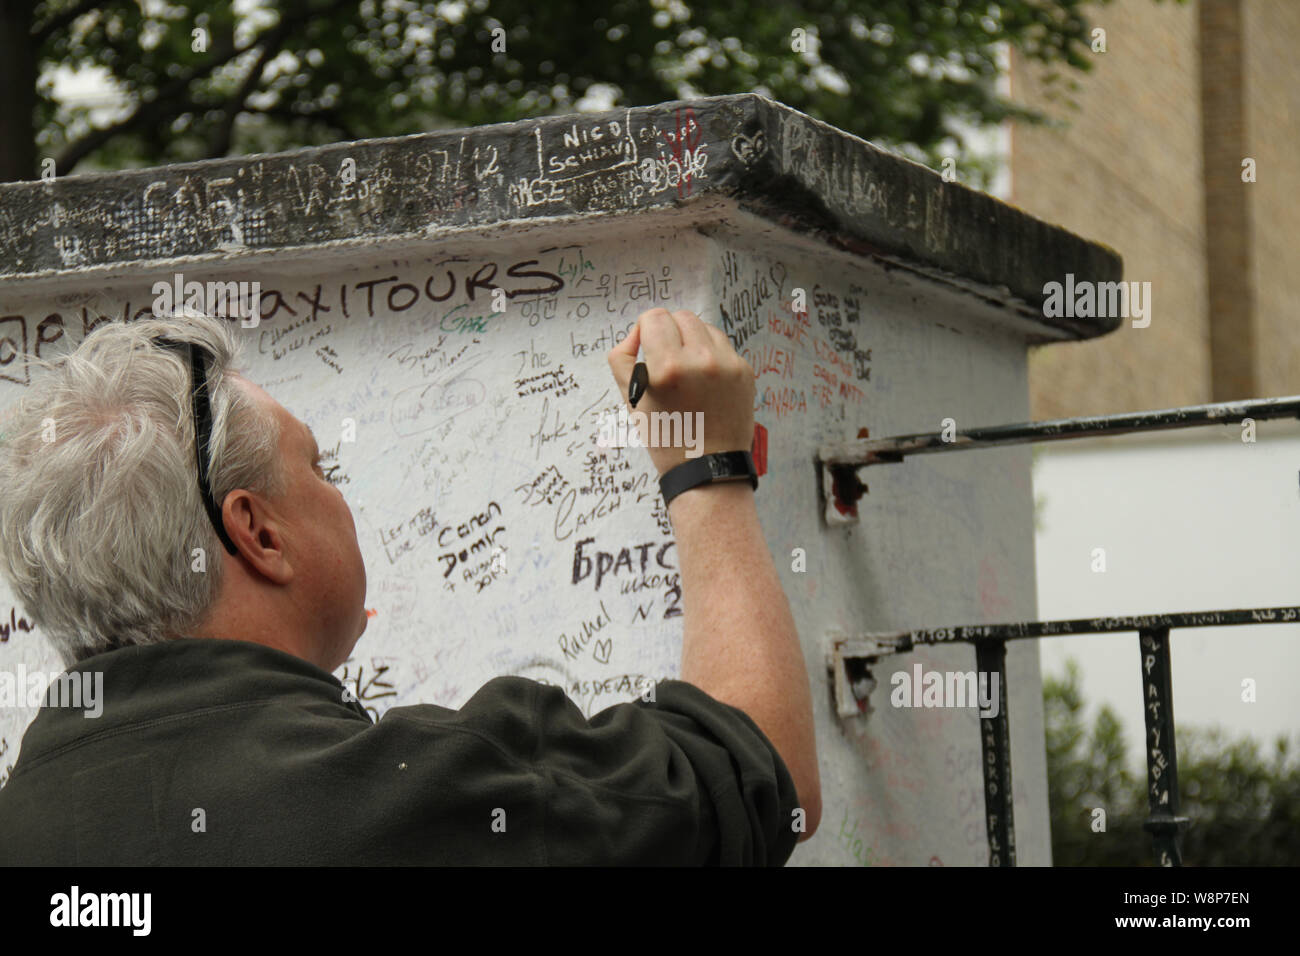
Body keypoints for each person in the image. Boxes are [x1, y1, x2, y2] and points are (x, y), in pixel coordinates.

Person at [0, 306, 820, 865]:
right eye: (319, 466)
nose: (339, 492)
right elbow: (760, 781)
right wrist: (707, 466)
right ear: (256, 532)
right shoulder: (419, 795)